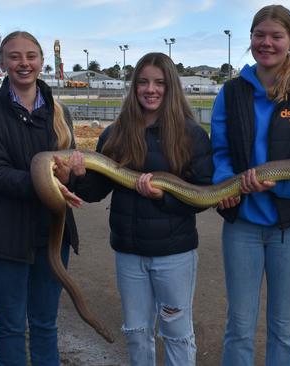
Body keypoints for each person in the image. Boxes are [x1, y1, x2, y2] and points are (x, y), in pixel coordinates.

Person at [63, 52, 213, 366]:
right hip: (129, 253)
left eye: (159, 82)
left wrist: (163, 197)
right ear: (133, 88)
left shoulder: (191, 135)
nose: (150, 89)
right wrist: (76, 175)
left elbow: (202, 195)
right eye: (143, 82)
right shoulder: (114, 134)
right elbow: (95, 192)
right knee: (136, 331)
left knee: (177, 332)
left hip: (174, 255)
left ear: (171, 87)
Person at [210, 5, 290, 365]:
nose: (267, 43)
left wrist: (273, 181)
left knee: (283, 325)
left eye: (276, 36)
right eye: (259, 35)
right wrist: (227, 187)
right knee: (240, 324)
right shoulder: (231, 92)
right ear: (250, 39)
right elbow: (220, 151)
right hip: (243, 225)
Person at [0, 30, 79, 366]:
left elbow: (67, 171)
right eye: (14, 56)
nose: (23, 63)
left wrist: (71, 172)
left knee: (46, 325)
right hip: (4, 236)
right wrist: (45, 182)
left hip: (52, 234)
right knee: (12, 327)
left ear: (42, 61)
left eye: (31, 56)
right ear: (2, 62)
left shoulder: (60, 113)